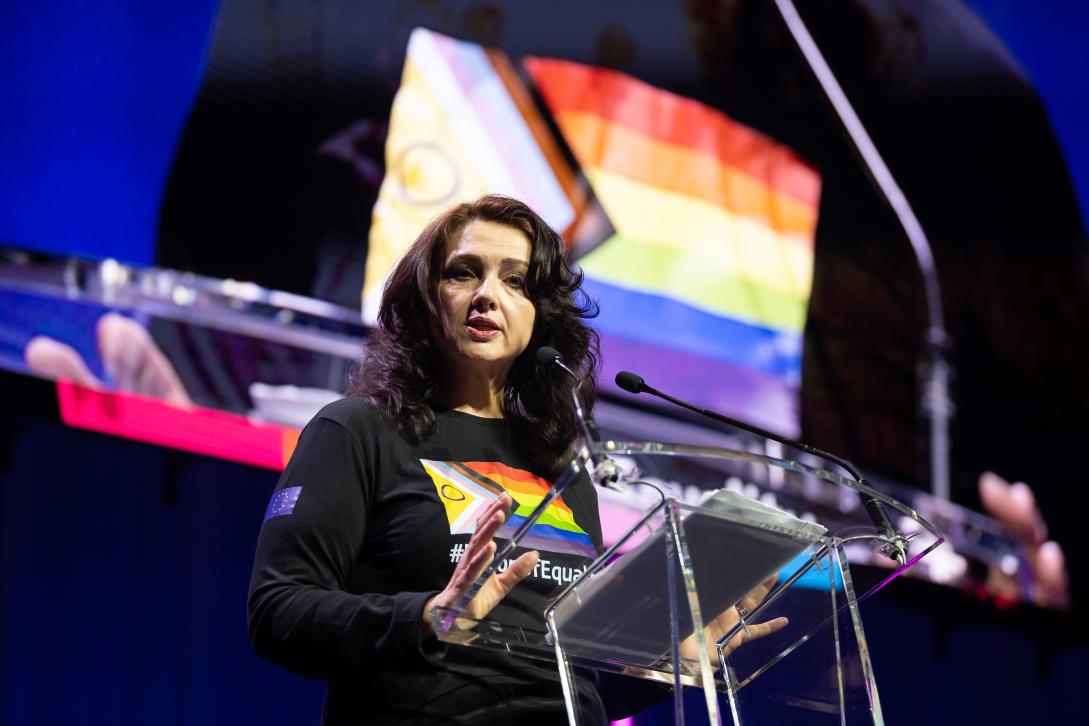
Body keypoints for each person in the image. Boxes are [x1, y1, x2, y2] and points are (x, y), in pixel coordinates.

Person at [246, 194, 785, 725]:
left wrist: (670, 660)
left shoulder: (559, 468)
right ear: (425, 297)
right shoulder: (357, 431)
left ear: (539, 316)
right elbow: (278, 611)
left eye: (515, 281)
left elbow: (569, 681)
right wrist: (427, 616)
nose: (487, 295)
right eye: (463, 272)